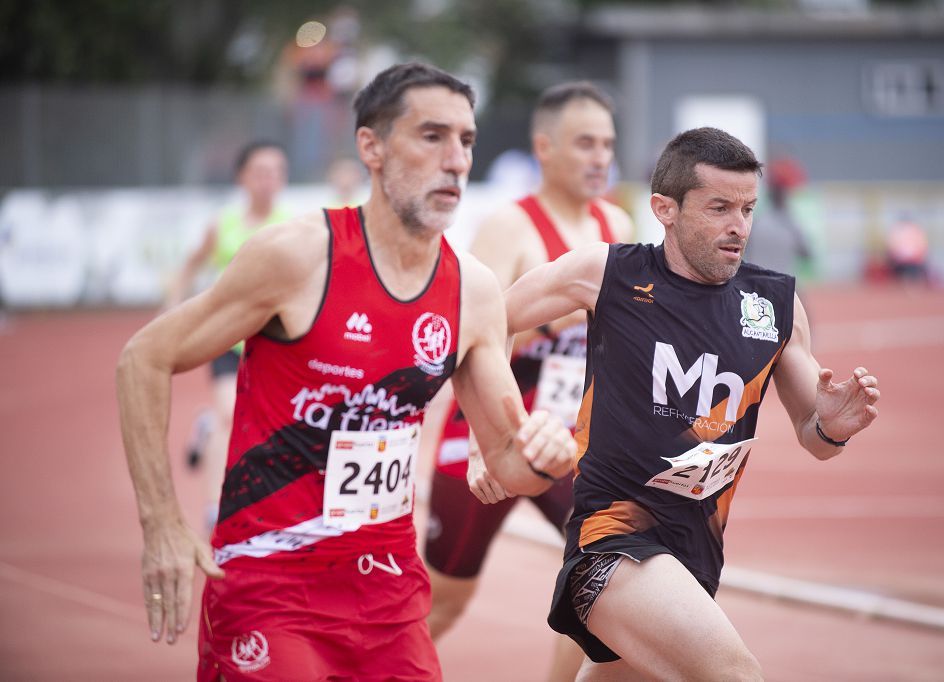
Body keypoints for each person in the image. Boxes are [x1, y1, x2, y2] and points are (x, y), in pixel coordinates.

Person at [116, 62, 576, 681]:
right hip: (269, 582)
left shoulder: (473, 291)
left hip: (387, 594)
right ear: (372, 147)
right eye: (432, 136)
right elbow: (143, 357)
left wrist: (550, 449)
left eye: (466, 140)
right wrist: (164, 524)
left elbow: (509, 464)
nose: (457, 159)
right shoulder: (297, 257)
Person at [487, 127, 881, 680]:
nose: (738, 226)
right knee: (736, 675)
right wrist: (497, 438)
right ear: (664, 208)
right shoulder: (607, 273)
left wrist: (833, 426)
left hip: (696, 554)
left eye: (747, 208)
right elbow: (487, 322)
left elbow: (815, 437)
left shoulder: (775, 304)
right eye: (719, 207)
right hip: (612, 541)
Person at [422, 81, 634, 680]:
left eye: (608, 145)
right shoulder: (509, 228)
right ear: (544, 147)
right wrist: (488, 446)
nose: (600, 158)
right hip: (492, 440)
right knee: (445, 600)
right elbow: (470, 339)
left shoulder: (614, 222)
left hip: (569, 447)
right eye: (585, 143)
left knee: (614, 579)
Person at [166, 140, 291, 532]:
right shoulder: (223, 225)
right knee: (227, 415)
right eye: (260, 172)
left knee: (266, 426)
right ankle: (212, 509)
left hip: (274, 344)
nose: (267, 181)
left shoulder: (294, 226)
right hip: (229, 340)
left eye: (275, 173)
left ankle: (207, 429)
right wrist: (172, 306)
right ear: (243, 177)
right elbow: (189, 265)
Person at [743, 157, 811, 278]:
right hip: (782, 283)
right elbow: (806, 254)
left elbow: (743, 249)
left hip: (756, 282)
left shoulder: (756, 222)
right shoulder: (791, 224)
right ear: (785, 197)